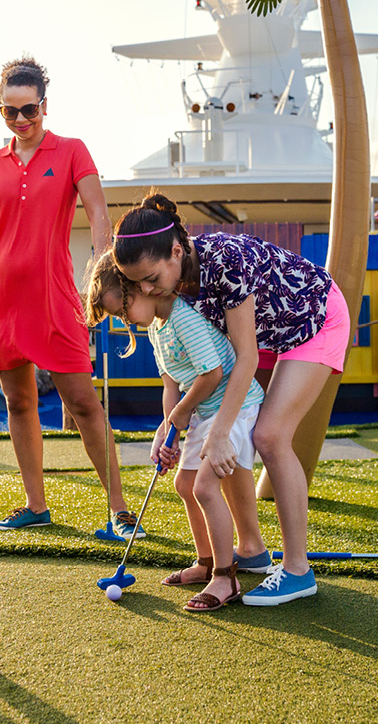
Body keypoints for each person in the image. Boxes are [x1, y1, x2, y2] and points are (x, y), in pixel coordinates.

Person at [112, 193, 351, 606]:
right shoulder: (174, 281)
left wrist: (219, 431)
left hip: (314, 320)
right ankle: (252, 548)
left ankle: (298, 569)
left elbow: (246, 357)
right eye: (138, 285)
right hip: (271, 333)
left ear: (175, 250)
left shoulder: (224, 261)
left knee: (270, 436)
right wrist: (178, 424)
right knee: (236, 437)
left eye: (151, 278)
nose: (147, 289)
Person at [0, 56, 135, 534]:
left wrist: (106, 272)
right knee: (18, 404)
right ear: (1, 110)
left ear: (44, 105)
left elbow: (98, 214)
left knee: (83, 405)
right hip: (2, 298)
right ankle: (35, 505)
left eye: (29, 110)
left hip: (55, 296)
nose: (20, 121)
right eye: (9, 111)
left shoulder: (72, 151)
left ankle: (119, 510)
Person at [85, 252, 270, 611]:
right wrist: (164, 430)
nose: (125, 320)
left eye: (124, 309)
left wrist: (180, 415)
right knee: (183, 484)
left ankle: (225, 575)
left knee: (203, 486)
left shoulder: (184, 318)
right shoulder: (157, 327)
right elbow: (171, 386)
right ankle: (205, 562)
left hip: (236, 406)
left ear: (141, 287)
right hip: (204, 409)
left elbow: (213, 373)